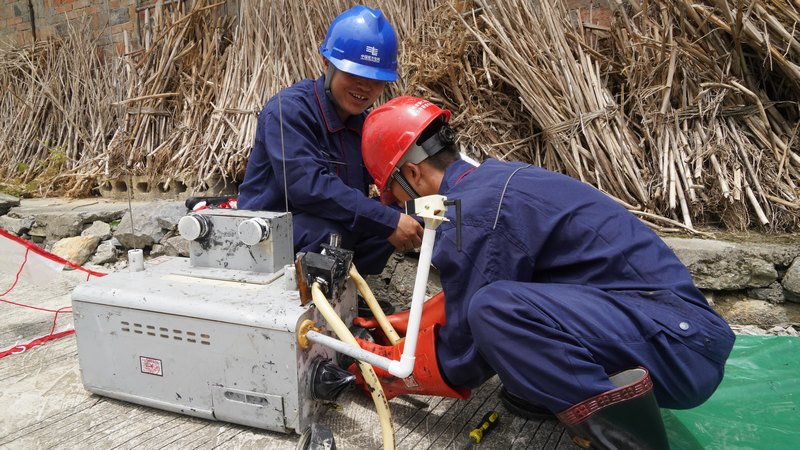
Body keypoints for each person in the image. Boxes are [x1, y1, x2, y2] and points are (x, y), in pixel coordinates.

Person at [350, 96, 736, 449]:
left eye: (394, 192)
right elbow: (473, 285)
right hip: (667, 330)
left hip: (680, 348)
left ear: (413, 175)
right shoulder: (487, 187)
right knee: (498, 316)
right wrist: (404, 323)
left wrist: (388, 368)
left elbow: (466, 349)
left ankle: (628, 444)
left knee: (495, 310)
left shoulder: (474, 212)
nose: (401, 206)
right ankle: (562, 397)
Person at [237, 6, 422, 276]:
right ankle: (309, 298)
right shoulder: (288, 110)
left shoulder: (366, 125)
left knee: (402, 222)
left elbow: (392, 181)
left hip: (325, 224)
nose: (364, 88)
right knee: (335, 232)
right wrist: (387, 219)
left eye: (374, 79)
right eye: (353, 74)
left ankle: (343, 290)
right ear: (327, 64)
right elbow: (308, 187)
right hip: (265, 233)